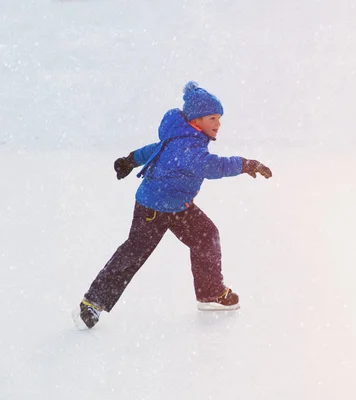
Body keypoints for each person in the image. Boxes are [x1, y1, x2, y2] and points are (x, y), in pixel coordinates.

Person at [73, 81, 272, 329]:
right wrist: (247, 164)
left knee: (206, 236)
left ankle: (210, 293)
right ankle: (92, 303)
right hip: (152, 209)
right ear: (196, 120)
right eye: (212, 118)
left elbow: (154, 149)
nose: (218, 123)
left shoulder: (182, 135)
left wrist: (130, 159)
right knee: (134, 253)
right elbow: (213, 166)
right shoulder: (188, 147)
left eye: (219, 118)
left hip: (179, 206)